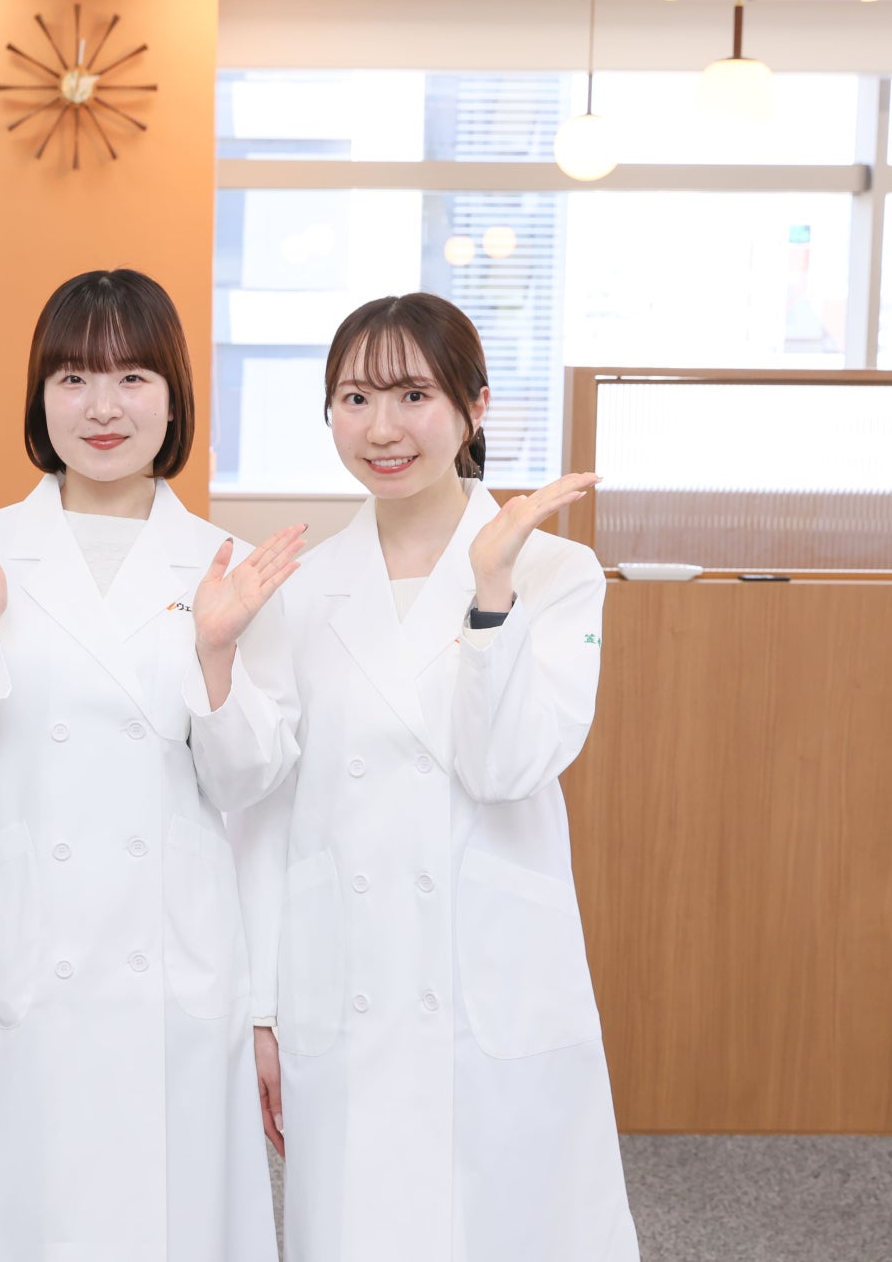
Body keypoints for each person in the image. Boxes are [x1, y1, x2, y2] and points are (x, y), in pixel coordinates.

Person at [0, 268, 304, 1262]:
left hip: (167, 971)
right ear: (41, 396)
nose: (103, 407)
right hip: (25, 965)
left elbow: (248, 782)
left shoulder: (227, 566)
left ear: (175, 395)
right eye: (74, 377)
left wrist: (216, 657)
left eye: (132, 377)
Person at [241, 292, 638, 1260]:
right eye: (355, 398)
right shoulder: (299, 586)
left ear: (475, 405)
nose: (382, 428)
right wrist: (259, 1009)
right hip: (345, 975)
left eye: (413, 395)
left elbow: (507, 767)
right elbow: (267, 812)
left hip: (487, 969)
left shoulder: (556, 571)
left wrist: (491, 596)